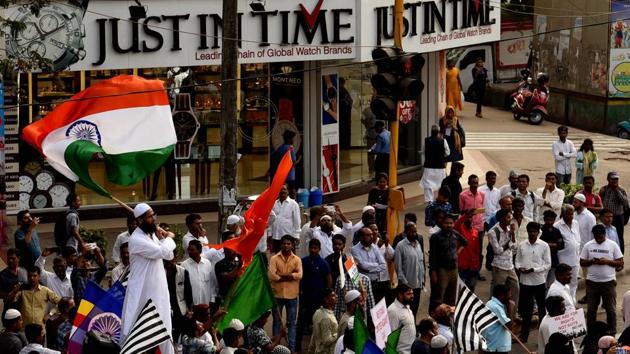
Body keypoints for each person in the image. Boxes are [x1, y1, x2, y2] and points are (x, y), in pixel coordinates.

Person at [122, 203, 176, 354]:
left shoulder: (150, 235)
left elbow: (169, 255)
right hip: (142, 294)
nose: (154, 219)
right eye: (150, 217)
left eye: (154, 215)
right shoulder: (136, 239)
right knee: (136, 332)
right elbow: (164, 252)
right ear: (139, 221)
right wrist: (169, 238)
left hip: (158, 291)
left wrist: (161, 238)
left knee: (165, 328)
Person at [580, 224, 624, 331]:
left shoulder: (612, 245)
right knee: (591, 310)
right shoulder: (588, 245)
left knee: (610, 309)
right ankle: (591, 332)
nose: (599, 239)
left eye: (601, 237)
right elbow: (582, 261)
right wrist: (591, 261)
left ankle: (612, 330)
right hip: (592, 283)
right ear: (593, 235)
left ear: (605, 235)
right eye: (597, 237)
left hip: (608, 282)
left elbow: (620, 262)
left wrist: (607, 261)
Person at [515, 221, 551, 342]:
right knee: (527, 312)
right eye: (530, 231)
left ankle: (543, 337)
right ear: (527, 232)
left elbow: (548, 264)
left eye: (534, 232)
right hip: (525, 282)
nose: (532, 234)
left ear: (538, 232)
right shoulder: (522, 245)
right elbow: (517, 261)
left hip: (539, 282)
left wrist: (534, 270)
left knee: (542, 310)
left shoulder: (544, 246)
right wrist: (520, 268)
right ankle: (524, 337)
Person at [268, 235, 302, 352]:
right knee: (277, 322)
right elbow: (272, 275)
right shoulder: (274, 259)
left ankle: (291, 349)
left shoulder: (297, 259)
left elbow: (299, 275)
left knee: (291, 323)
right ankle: (275, 348)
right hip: (277, 295)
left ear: (292, 245)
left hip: (292, 296)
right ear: (281, 244)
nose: (286, 245)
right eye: (284, 243)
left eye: (288, 244)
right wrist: (291, 276)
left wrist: (281, 276)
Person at [298, 238, 332, 349]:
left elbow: (328, 279)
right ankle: (297, 347)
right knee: (301, 323)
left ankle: (318, 346)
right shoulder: (303, 261)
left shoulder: (323, 263)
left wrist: (327, 293)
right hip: (305, 298)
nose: (313, 250)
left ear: (319, 249)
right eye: (311, 248)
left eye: (315, 248)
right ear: (308, 248)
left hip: (318, 298)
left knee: (317, 323)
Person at [429, 214, 467, 311]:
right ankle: (434, 319)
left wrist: (457, 252)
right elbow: (432, 256)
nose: (449, 225)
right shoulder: (435, 237)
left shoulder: (454, 233)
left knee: (452, 296)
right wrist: (433, 273)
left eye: (451, 223)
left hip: (454, 269)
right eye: (447, 223)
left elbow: (465, 242)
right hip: (441, 270)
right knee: (438, 297)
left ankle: (448, 317)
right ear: (442, 224)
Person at [488, 209, 519, 308]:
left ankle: (512, 314)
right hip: (499, 267)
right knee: (498, 294)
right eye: (508, 217)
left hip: (510, 266)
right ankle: (494, 314)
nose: (510, 220)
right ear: (502, 218)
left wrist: (513, 234)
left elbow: (515, 247)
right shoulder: (493, 232)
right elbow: (497, 250)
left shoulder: (510, 230)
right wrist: (509, 244)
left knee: (515, 289)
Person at [395, 222, 425, 315]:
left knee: (415, 309)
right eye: (412, 232)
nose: (414, 234)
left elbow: (421, 263)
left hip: (418, 285)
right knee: (406, 311)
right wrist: (405, 285)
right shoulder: (400, 246)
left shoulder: (418, 244)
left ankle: (414, 328)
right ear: (406, 232)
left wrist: (422, 279)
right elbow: (398, 269)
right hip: (407, 287)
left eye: (415, 232)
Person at [351, 227, 387, 302]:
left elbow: (383, 265)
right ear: (361, 237)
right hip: (363, 285)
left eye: (371, 235)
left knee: (376, 305)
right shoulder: (354, 249)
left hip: (375, 283)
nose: (372, 237)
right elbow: (362, 265)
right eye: (368, 235)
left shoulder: (374, 247)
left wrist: (368, 269)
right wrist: (377, 265)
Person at [554, 204, 581, 302]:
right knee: (564, 284)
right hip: (563, 260)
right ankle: (565, 303)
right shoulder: (557, 226)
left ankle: (572, 303)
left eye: (572, 214)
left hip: (575, 260)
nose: (570, 217)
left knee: (574, 283)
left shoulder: (575, 223)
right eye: (568, 214)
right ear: (563, 214)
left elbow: (577, 240)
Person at [599, 171, 628, 253]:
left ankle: (620, 256)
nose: (614, 181)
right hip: (605, 216)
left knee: (619, 237)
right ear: (608, 179)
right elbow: (600, 201)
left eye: (616, 179)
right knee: (605, 235)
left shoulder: (621, 190)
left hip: (617, 217)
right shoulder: (604, 189)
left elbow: (625, 203)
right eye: (612, 179)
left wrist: (616, 190)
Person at [182, 239, 216, 307]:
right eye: (189, 249)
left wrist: (212, 299)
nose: (189, 251)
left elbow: (212, 283)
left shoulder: (207, 263)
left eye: (192, 250)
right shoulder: (184, 265)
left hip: (206, 303)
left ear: (199, 251)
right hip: (192, 305)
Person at [421, 125, 450, 203]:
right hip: (440, 166)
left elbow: (423, 152)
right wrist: (441, 155)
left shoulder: (426, 140)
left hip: (428, 167)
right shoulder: (443, 141)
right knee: (441, 183)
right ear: (438, 132)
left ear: (431, 132)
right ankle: (442, 199)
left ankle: (429, 200)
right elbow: (447, 153)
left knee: (428, 184)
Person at [459, 175, 485, 260]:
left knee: (478, 249)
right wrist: (469, 212)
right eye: (473, 183)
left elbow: (482, 210)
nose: (475, 185)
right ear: (469, 183)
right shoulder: (463, 195)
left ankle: (477, 268)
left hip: (479, 228)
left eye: (476, 183)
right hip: (468, 227)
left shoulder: (482, 194)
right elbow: (461, 211)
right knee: (468, 248)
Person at [270, 184, 301, 254]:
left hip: (289, 237)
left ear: (288, 191)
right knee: (278, 258)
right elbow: (271, 220)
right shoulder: (274, 204)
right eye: (280, 189)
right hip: (276, 236)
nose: (282, 191)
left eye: (284, 189)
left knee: (290, 259)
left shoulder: (294, 204)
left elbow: (297, 221)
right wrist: (270, 233)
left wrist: (297, 235)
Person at [481, 284, 512, 354]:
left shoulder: (491, 303)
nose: (510, 296)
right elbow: (509, 326)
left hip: (493, 345)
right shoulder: (496, 307)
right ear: (501, 295)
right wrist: (510, 309)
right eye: (509, 294)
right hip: (496, 347)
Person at [454, 209, 480, 291]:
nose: (469, 219)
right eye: (467, 217)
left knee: (471, 288)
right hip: (462, 264)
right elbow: (456, 225)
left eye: (471, 217)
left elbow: (477, 249)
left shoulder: (475, 231)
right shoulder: (460, 229)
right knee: (461, 289)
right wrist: (465, 216)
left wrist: (477, 263)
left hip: (473, 265)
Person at [387, 284, 417, 354]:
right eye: (408, 294)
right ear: (400, 295)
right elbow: (392, 335)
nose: (412, 296)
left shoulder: (407, 306)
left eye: (412, 293)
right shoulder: (393, 311)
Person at [214, 231, 242, 301]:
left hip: (238, 298)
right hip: (226, 300)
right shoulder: (219, 264)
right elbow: (226, 277)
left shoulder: (237, 262)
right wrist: (239, 266)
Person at [539, 210, 565, 286]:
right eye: (548, 220)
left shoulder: (556, 231)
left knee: (551, 283)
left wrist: (549, 245)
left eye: (551, 220)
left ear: (554, 220)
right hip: (541, 260)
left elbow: (561, 245)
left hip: (553, 260)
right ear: (544, 220)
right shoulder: (540, 231)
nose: (550, 222)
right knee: (542, 282)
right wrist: (553, 245)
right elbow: (539, 244)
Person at [309, 288, 338, 354]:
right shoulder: (326, 318)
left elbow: (314, 335)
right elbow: (326, 340)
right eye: (333, 295)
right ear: (326, 300)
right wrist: (339, 333)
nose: (336, 296)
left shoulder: (317, 312)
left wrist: (310, 349)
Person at [0, 249, 28, 314]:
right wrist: (11, 293)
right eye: (9, 258)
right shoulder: (2, 275)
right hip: (10, 309)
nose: (10, 261)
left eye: (13, 258)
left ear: (18, 258)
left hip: (25, 308)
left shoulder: (24, 271)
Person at [271, 130, 298, 194]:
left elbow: (274, 158)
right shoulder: (290, 148)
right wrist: (299, 159)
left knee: (282, 193)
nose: (293, 140)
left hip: (282, 175)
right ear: (289, 139)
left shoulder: (281, 148)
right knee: (291, 192)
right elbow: (293, 163)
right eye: (292, 139)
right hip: (290, 176)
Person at [361, 107, 378, 176]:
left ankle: (372, 168)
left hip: (374, 133)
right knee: (371, 153)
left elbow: (362, 120)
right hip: (372, 134)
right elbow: (362, 120)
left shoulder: (367, 110)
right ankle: (372, 168)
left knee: (372, 153)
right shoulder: (367, 110)